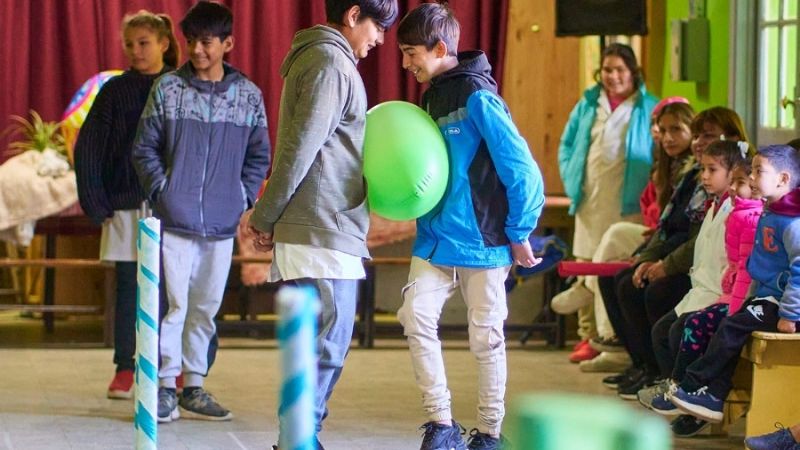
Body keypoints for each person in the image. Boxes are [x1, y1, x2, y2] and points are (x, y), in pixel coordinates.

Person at [246, 1, 398, 447]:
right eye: (377, 26)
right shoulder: (330, 61)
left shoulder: (326, 58)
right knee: (327, 343)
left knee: (324, 342)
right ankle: (298, 439)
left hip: (326, 223)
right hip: (319, 225)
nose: (380, 38)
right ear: (353, 15)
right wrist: (266, 214)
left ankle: (299, 437)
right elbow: (300, 148)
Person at [395, 3, 545, 449]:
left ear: (440, 49)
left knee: (486, 339)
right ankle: (441, 424)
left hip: (485, 240)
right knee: (414, 316)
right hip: (434, 240)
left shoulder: (479, 97)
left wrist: (519, 232)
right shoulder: (431, 96)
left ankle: (490, 433)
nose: (405, 63)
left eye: (411, 53)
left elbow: (522, 169)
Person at [132, 0, 271, 423]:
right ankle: (164, 387)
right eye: (191, 40)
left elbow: (259, 155)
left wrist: (241, 198)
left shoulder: (249, 96)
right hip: (174, 221)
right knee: (174, 306)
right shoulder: (168, 89)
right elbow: (144, 148)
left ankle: (193, 386)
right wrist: (164, 191)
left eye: (207, 42)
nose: (197, 50)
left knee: (205, 308)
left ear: (228, 43)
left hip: (222, 224)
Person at [74, 9, 179, 400]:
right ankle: (125, 367)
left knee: (171, 289)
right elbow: (89, 146)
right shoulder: (114, 91)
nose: (136, 51)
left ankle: (170, 366)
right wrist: (95, 201)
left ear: (164, 44)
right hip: (124, 205)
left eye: (144, 43)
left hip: (172, 207)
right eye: (130, 44)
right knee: (127, 290)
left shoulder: (180, 87)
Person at [669, 144, 800, 425]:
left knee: (731, 327)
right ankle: (714, 395)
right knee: (729, 326)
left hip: (783, 306)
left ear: (783, 179)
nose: (751, 178)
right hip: (767, 298)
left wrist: (791, 314)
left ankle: (694, 382)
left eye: (758, 171)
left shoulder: (792, 222)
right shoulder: (771, 211)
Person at [554, 43, 658, 363]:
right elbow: (567, 144)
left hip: (628, 202)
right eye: (607, 70)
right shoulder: (588, 104)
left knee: (613, 267)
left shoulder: (648, 107)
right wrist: (571, 177)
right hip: (590, 198)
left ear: (633, 72)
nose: (613, 76)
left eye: (620, 70)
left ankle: (613, 337)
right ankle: (588, 336)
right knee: (585, 262)